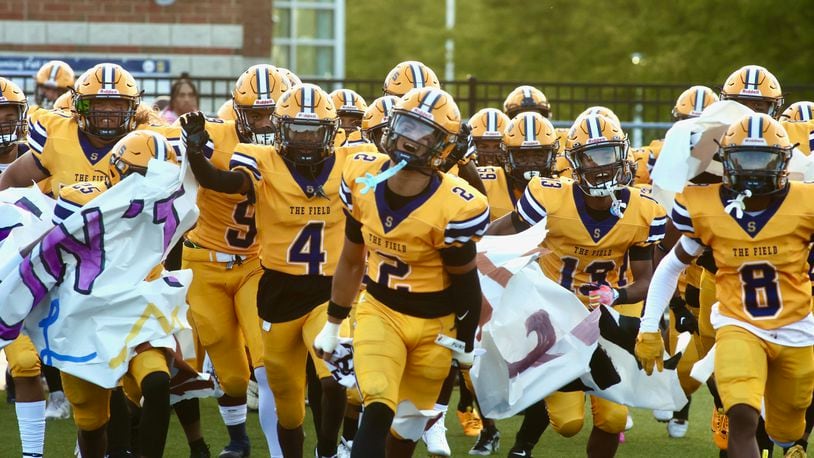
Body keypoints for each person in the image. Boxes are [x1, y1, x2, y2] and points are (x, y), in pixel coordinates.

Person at [183, 83, 375, 458]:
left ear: (331, 131)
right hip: (278, 294)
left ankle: (327, 450)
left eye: (314, 131)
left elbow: (391, 182)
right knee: (288, 406)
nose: (305, 141)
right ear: (280, 129)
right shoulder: (262, 160)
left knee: (334, 377)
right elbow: (219, 183)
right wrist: (195, 151)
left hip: (328, 291)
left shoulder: (353, 161)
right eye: (297, 131)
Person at [313, 87, 489, 457]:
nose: (411, 138)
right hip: (381, 310)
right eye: (407, 125)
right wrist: (333, 322)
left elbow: (466, 283)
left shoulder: (454, 204)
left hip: (436, 325)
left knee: (405, 432)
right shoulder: (361, 177)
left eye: (425, 133)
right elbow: (350, 259)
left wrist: (466, 344)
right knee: (377, 404)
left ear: (442, 147)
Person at [636, 113, 814, 458]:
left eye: (763, 160)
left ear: (783, 162)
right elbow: (672, 264)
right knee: (741, 414)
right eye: (745, 159)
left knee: (787, 428)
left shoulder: (806, 203)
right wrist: (648, 327)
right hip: (738, 324)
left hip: (798, 329)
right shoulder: (705, 204)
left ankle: (789, 440)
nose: (753, 170)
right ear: (725, 161)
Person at [488, 114, 666, 458]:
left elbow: (647, 279)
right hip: (557, 316)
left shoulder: (645, 209)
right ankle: (525, 441)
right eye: (591, 157)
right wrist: (471, 249)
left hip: (608, 313)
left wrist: (619, 295)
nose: (601, 167)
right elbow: (504, 230)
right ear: (574, 163)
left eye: (608, 154)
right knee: (567, 424)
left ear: (623, 155)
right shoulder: (548, 196)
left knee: (613, 419)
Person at [175, 64, 290, 458]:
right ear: (238, 111)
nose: (266, 121)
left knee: (266, 363)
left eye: (273, 113)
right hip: (204, 262)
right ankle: (238, 440)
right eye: (256, 113)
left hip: (256, 263)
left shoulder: (292, 149)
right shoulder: (214, 136)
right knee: (231, 372)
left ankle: (277, 452)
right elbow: (151, 145)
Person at [56, 129, 179, 458]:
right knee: (95, 413)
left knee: (156, 383)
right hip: (94, 312)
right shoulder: (84, 199)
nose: (149, 184)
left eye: (157, 176)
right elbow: (53, 250)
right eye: (141, 175)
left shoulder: (170, 206)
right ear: (116, 170)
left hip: (140, 308)